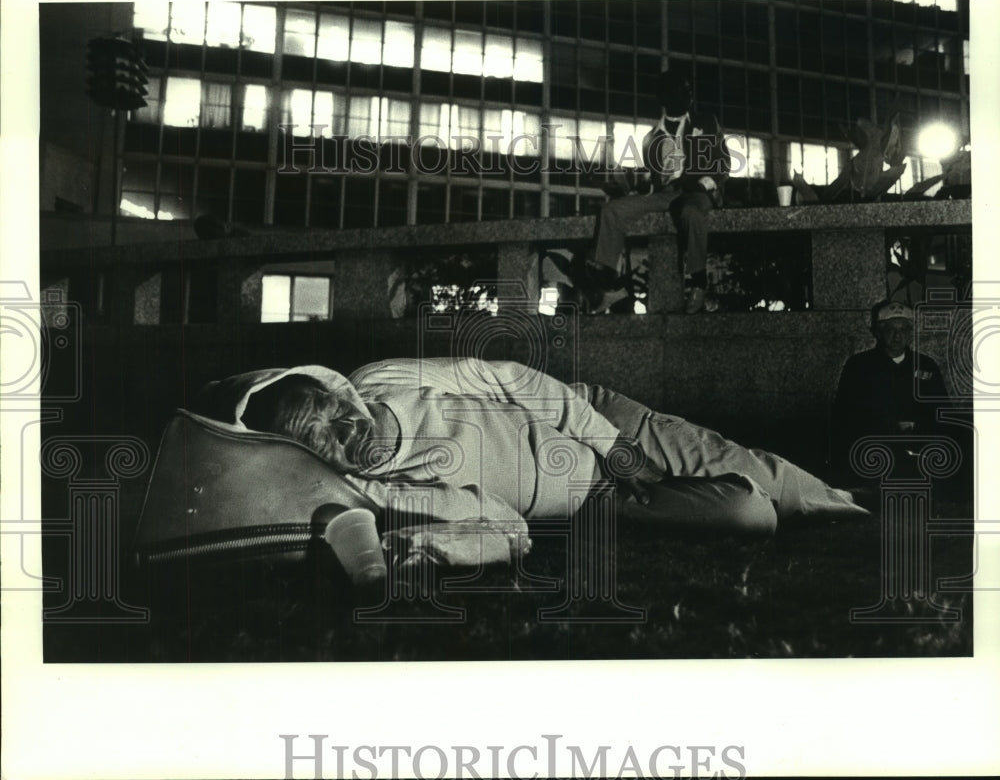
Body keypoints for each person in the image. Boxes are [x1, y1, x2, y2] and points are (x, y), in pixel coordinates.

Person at [196, 358, 866, 565]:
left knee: (772, 477)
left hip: (599, 423)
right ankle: (728, 491)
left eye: (342, 412)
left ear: (342, 392)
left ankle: (847, 504)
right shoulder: (377, 490)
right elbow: (505, 530)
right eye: (331, 442)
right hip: (590, 501)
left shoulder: (385, 379)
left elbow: (513, 378)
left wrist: (620, 450)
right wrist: (438, 548)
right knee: (751, 515)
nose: (353, 432)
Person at [590, 69, 730, 314]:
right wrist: (634, 186)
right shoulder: (650, 138)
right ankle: (608, 282)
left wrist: (704, 184)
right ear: (664, 97)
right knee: (612, 211)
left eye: (689, 89)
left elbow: (723, 162)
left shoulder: (706, 123)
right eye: (682, 89)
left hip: (696, 191)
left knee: (691, 213)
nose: (689, 94)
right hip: (665, 194)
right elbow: (652, 180)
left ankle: (698, 282)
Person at [831, 300, 950, 481]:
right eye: (890, 329)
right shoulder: (859, 366)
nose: (897, 336)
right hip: (873, 454)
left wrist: (917, 427)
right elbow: (844, 416)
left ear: (911, 333)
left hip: (920, 452)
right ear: (878, 332)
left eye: (904, 329)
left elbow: (942, 411)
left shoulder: (926, 365)